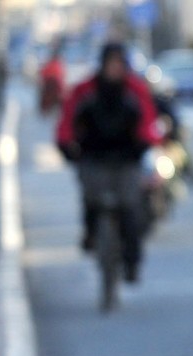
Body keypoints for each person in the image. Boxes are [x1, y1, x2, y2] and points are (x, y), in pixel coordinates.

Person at [56, 41, 159, 284]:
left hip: (127, 159)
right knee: (91, 202)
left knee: (130, 210)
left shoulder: (135, 89)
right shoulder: (85, 89)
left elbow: (148, 121)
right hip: (94, 158)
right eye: (110, 64)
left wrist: (145, 143)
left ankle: (131, 263)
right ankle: (91, 237)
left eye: (118, 64)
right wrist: (66, 146)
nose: (114, 69)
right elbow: (68, 121)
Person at [38, 42, 66, 115]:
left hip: (51, 86)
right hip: (53, 86)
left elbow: (43, 74)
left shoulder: (55, 65)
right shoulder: (58, 65)